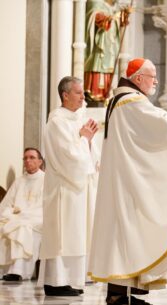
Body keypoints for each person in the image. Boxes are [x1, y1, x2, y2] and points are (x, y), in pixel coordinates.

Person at [88, 58, 167, 305]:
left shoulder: (122, 101)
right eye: (152, 76)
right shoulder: (130, 102)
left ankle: (125, 294)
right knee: (127, 234)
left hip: (125, 179)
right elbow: (163, 125)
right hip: (127, 183)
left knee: (128, 235)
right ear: (137, 78)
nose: (155, 81)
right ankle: (119, 296)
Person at [37, 76, 99, 296]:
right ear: (65, 95)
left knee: (77, 234)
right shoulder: (57, 122)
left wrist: (89, 141)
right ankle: (55, 282)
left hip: (79, 188)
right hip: (63, 188)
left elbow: (90, 157)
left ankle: (71, 280)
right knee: (63, 235)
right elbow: (69, 157)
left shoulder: (80, 117)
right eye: (79, 93)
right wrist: (84, 139)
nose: (84, 96)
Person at [0, 148, 44, 281]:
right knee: (5, 225)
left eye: (31, 157)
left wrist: (22, 213)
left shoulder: (46, 180)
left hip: (38, 218)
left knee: (22, 227)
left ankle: (18, 271)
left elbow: (44, 206)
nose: (28, 161)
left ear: (40, 161)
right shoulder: (19, 181)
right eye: (25, 158)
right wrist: (11, 212)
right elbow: (6, 204)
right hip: (18, 217)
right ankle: (4, 271)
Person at [84, 0, 131, 103]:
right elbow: (93, 16)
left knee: (109, 67)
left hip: (110, 44)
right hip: (98, 44)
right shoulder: (95, 2)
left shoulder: (112, 7)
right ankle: (93, 92)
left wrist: (123, 15)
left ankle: (106, 94)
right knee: (97, 63)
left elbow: (119, 22)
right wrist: (106, 19)